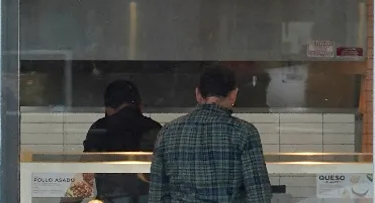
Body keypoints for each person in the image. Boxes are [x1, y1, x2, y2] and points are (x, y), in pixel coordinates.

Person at [148, 64, 271, 203]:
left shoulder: (168, 132)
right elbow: (259, 196)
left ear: (198, 94)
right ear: (233, 95)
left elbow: (157, 195)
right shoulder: (244, 133)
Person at [82, 80, 163, 203]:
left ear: (108, 109)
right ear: (140, 106)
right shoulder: (156, 129)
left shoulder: (101, 128)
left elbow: (84, 178)